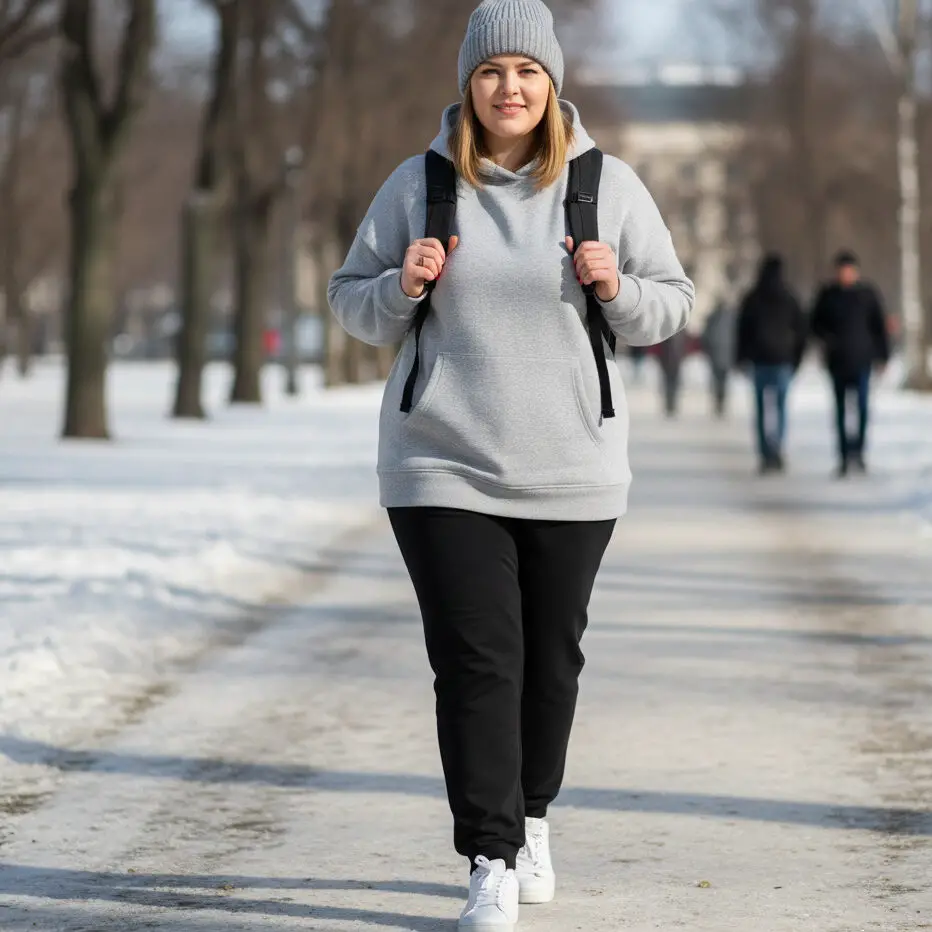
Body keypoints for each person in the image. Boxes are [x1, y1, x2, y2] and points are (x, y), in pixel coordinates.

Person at [327, 2, 694, 928]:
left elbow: (673, 305)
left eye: (527, 71)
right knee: (476, 659)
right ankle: (489, 854)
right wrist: (400, 284)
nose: (510, 88)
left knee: (550, 664)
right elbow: (351, 302)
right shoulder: (419, 184)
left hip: (572, 465)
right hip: (441, 461)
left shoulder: (605, 185)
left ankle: (531, 816)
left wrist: (617, 285)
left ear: (552, 84)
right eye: (492, 73)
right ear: (469, 85)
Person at [810, 250, 890, 477]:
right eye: (842, 270)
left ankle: (859, 452)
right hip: (837, 362)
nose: (846, 274)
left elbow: (879, 327)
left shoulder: (867, 294)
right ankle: (844, 456)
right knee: (840, 411)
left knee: (863, 409)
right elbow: (814, 324)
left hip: (862, 361)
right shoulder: (827, 295)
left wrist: (883, 356)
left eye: (849, 270)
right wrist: (827, 339)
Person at [736, 254, 807, 473]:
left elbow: (742, 331)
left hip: (759, 361)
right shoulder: (789, 297)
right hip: (782, 360)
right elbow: (802, 330)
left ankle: (765, 453)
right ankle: (777, 449)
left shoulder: (752, 297)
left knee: (760, 410)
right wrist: (797, 358)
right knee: (780, 408)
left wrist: (741, 357)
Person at [701, 297, 737, 417]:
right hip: (723, 354)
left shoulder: (716, 318)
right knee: (721, 380)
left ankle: (719, 402)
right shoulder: (730, 318)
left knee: (719, 380)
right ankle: (720, 402)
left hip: (720, 354)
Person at [655, 328, 690, 417]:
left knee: (674, 384)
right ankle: (669, 406)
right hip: (667, 361)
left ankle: (672, 406)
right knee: (668, 384)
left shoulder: (681, 329)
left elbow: (685, 345)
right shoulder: (665, 330)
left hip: (676, 361)